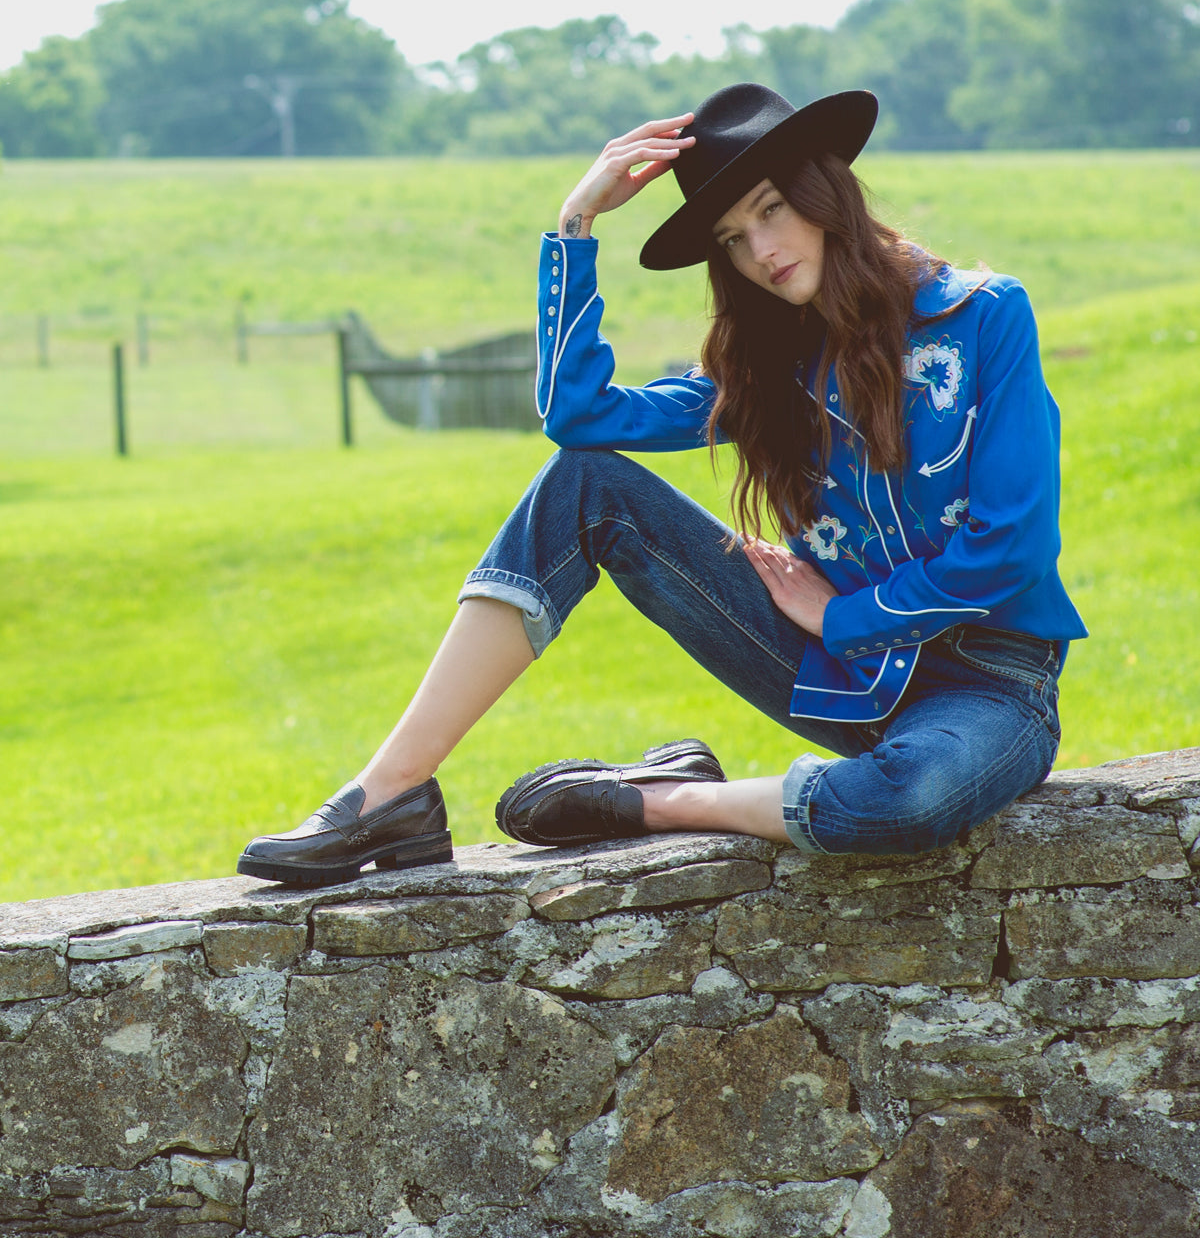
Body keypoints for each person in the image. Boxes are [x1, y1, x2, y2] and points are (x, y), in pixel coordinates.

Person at [237, 83, 1087, 887]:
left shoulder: (982, 317)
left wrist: (841, 615)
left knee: (906, 801)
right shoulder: (763, 366)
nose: (760, 251)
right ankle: (390, 793)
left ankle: (660, 799)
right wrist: (575, 224)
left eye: (772, 210)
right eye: (731, 238)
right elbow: (581, 419)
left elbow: (1011, 548)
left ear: (824, 195)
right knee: (585, 485)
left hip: (988, 682)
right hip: (840, 675)